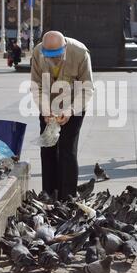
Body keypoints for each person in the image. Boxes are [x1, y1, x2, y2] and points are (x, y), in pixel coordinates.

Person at [31, 31, 94, 201]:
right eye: (49, 55)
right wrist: (45, 110)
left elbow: (87, 88)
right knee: (47, 148)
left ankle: (68, 196)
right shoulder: (38, 52)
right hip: (49, 105)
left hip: (75, 105)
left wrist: (70, 111)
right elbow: (36, 85)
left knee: (67, 149)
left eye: (57, 55)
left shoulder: (80, 52)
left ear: (64, 47)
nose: (53, 60)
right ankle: (49, 194)